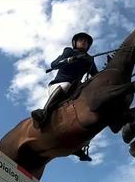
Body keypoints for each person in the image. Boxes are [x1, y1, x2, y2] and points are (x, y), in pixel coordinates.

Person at [31, 32, 99, 161]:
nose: (84, 42)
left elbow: (95, 76)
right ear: (75, 43)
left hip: (75, 91)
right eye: (81, 40)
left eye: (86, 41)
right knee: (66, 84)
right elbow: (54, 64)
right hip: (58, 86)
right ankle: (43, 113)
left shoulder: (89, 59)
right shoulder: (68, 51)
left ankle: (81, 146)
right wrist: (68, 60)